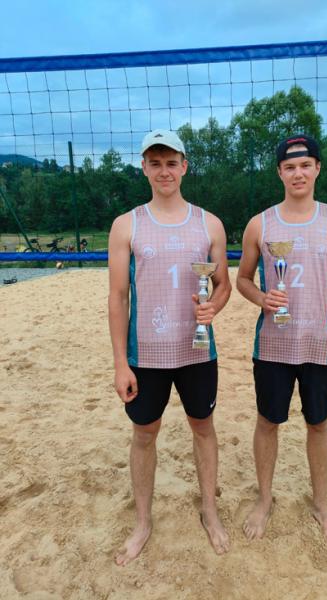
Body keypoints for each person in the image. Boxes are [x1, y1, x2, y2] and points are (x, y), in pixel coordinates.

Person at [236, 133, 327, 540]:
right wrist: (261, 297)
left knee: (318, 424)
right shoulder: (260, 223)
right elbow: (242, 279)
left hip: (322, 345)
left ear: (317, 168)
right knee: (268, 422)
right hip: (273, 346)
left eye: (304, 165)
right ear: (279, 172)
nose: (297, 173)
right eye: (289, 166)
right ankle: (265, 499)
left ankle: (320, 502)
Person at [108, 129, 232, 565]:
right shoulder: (126, 225)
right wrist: (120, 363)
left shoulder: (209, 223)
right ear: (144, 167)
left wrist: (214, 307)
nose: (165, 171)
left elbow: (222, 284)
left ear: (184, 167)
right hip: (146, 355)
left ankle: (209, 511)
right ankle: (142, 522)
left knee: (203, 427)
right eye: (155, 163)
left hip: (197, 351)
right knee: (144, 434)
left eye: (171, 162)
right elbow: (118, 297)